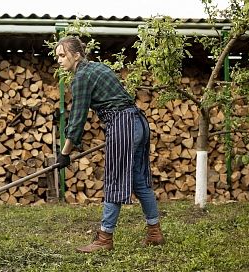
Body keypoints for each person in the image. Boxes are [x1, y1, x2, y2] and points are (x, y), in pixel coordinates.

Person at [54, 36, 165, 253]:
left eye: (62, 55)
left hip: (122, 125)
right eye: (57, 56)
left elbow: (77, 118)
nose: (59, 60)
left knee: (115, 180)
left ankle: (105, 238)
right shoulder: (97, 67)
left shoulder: (81, 77)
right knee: (139, 180)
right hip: (138, 122)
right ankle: (155, 232)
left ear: (76, 55)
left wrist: (64, 152)